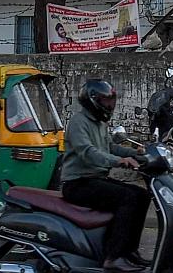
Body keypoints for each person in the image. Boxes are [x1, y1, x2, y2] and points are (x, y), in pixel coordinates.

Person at [61, 79, 149, 273]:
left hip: (95, 180)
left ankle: (129, 251)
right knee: (127, 198)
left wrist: (137, 154)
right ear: (92, 101)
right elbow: (88, 152)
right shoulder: (78, 122)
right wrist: (117, 161)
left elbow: (111, 147)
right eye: (105, 101)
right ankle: (113, 257)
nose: (110, 105)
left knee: (142, 196)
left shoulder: (100, 123)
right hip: (77, 183)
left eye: (111, 101)